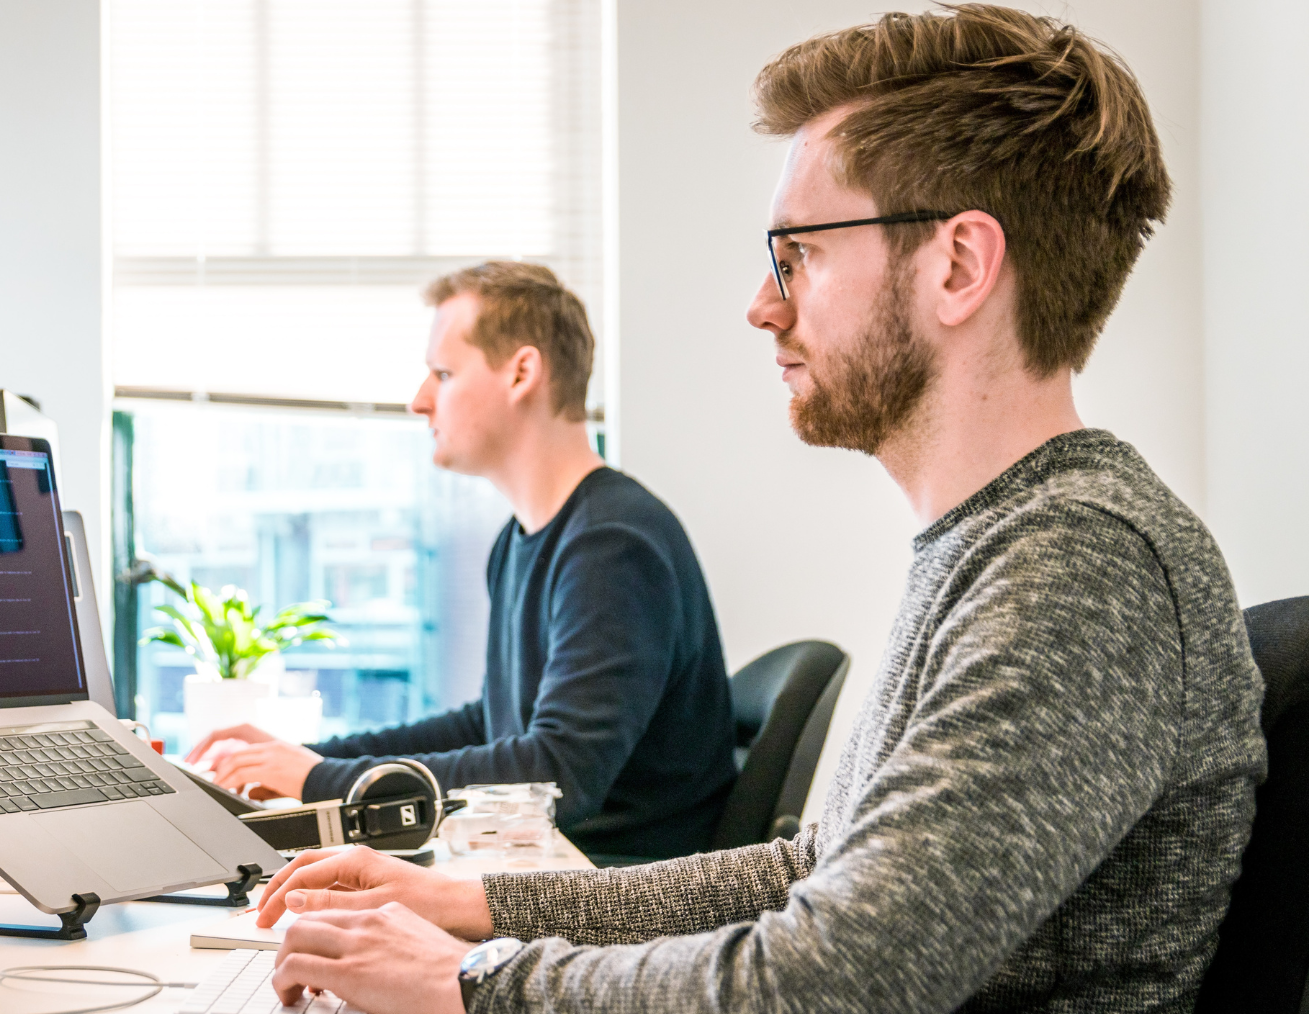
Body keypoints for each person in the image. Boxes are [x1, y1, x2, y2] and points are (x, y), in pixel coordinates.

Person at [245, 7, 1268, 1013]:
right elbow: (815, 873)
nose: (763, 303)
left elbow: (835, 977)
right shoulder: (999, 546)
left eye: (801, 254)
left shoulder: (1080, 568)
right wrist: (467, 901)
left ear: (958, 266)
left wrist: (468, 982)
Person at [186, 261, 738, 861]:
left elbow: (558, 776)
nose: (419, 401)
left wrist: (320, 781)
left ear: (522, 373)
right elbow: (491, 725)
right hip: (550, 866)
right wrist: (315, 759)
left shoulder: (613, 545)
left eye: (443, 374)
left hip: (612, 890)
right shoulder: (523, 540)